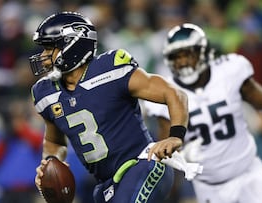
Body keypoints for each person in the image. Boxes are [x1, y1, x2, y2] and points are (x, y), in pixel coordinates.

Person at [29, 12, 190, 203]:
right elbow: (55, 141)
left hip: (141, 165)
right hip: (106, 185)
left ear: (72, 44)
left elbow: (174, 93)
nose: (44, 56)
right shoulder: (45, 92)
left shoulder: (111, 69)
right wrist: (50, 164)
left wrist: (176, 135)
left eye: (50, 48)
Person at [144, 23, 262, 203]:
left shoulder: (229, 71)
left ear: (202, 52)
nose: (182, 62)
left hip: (249, 174)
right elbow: (166, 151)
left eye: (188, 54)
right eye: (176, 57)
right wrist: (181, 157)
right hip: (209, 186)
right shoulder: (166, 93)